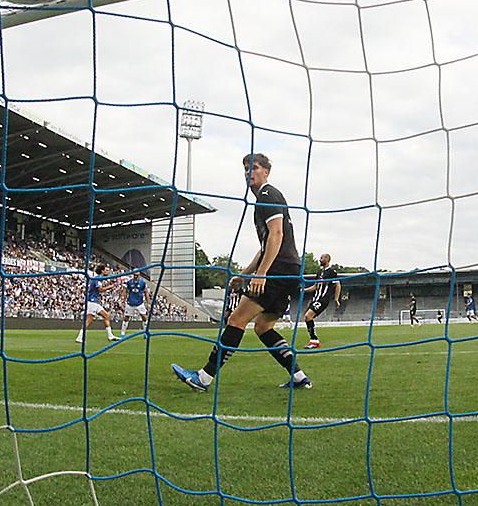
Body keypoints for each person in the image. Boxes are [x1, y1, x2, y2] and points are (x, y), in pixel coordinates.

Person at [172, 153, 311, 391]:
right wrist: (246, 273)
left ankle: (203, 378)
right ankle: (299, 377)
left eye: (254, 167)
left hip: (278, 268)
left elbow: (277, 235)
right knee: (263, 327)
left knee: (236, 320)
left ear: (266, 171)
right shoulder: (264, 199)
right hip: (289, 269)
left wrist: (262, 273)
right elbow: (265, 245)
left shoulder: (267, 194)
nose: (249, 172)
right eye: (246, 168)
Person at [302, 253, 341, 347]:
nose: (320, 260)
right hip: (315, 299)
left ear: (327, 259)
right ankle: (313, 340)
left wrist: (336, 299)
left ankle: (314, 341)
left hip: (323, 299)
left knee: (308, 316)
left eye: (321, 258)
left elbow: (338, 285)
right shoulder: (319, 273)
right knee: (307, 318)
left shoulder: (332, 272)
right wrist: (304, 290)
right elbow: (315, 286)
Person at [76, 263, 118, 343]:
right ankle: (79, 337)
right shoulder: (98, 278)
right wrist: (110, 287)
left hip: (95, 301)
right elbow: (100, 289)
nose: (107, 272)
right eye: (106, 270)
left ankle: (110, 336)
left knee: (106, 316)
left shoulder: (99, 278)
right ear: (102, 271)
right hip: (92, 301)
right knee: (89, 320)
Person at [120, 271, 148, 336]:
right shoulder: (129, 282)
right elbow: (125, 291)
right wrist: (123, 300)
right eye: (134, 275)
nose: (136, 276)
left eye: (137, 275)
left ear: (139, 275)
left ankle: (145, 332)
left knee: (144, 317)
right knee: (126, 317)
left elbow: (145, 292)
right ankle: (122, 333)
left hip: (140, 303)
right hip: (130, 303)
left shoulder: (142, 283)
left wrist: (147, 302)